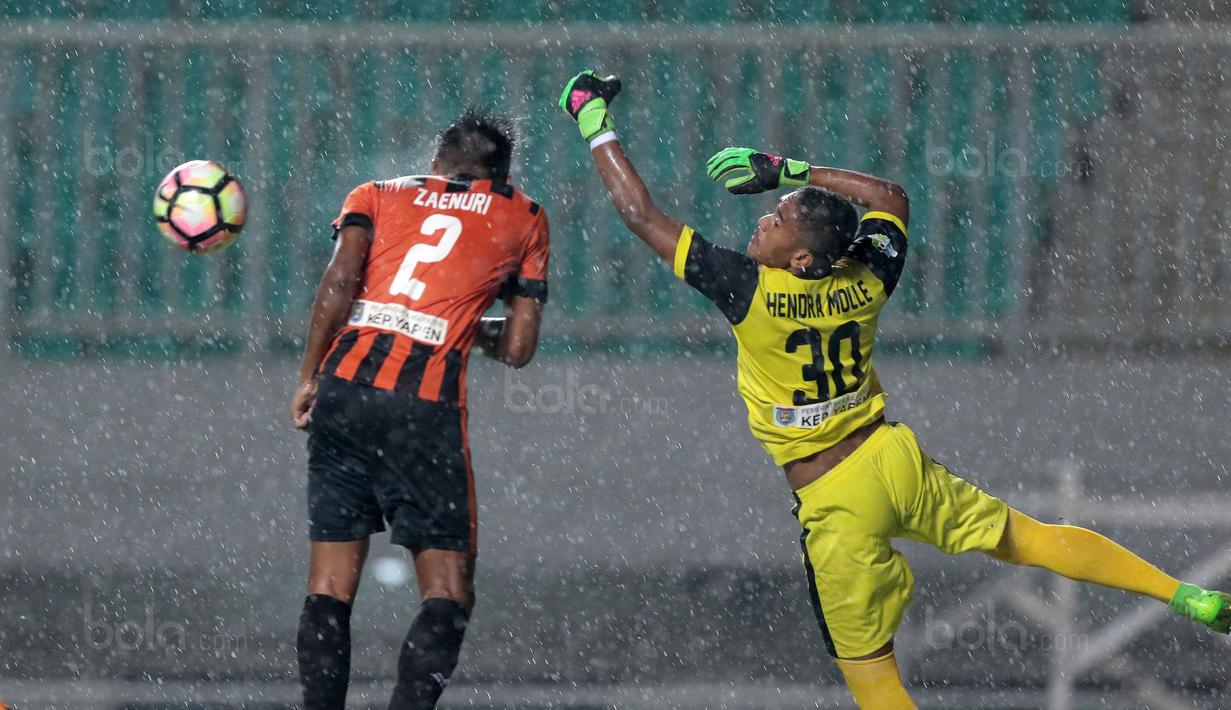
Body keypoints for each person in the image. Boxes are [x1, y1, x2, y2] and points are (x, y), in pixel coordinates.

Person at [557, 70, 1229, 709]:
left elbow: (638, 213)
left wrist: (593, 119)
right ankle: (1181, 594)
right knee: (1029, 538)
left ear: (798, 259)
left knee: (874, 685)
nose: (762, 219)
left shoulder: (748, 290)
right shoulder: (867, 277)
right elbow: (891, 198)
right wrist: (789, 170)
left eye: (778, 217)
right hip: (891, 460)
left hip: (832, 497)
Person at [289, 109, 549, 709]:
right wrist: (459, 326)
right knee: (449, 592)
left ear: (436, 163)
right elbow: (518, 347)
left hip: (344, 389)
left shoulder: (375, 194)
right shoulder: (524, 215)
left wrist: (308, 376)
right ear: (500, 176)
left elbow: (339, 282)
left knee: (329, 584)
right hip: (423, 407)